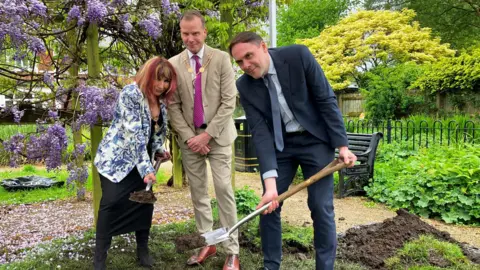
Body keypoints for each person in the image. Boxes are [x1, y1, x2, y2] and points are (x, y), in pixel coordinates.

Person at [229, 31, 357, 270]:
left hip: (315, 140)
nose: (245, 65)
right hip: (280, 146)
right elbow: (259, 131)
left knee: (321, 207)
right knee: (268, 206)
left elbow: (325, 99)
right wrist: (270, 187)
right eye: (239, 61)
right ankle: (271, 266)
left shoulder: (298, 56)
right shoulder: (244, 85)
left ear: (263, 47)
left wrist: (342, 146)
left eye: (249, 56)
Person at [168, 10, 240, 270]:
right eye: (185, 34)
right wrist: (191, 139)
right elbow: (172, 106)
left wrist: (207, 135)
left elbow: (228, 101)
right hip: (190, 141)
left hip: (218, 137)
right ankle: (208, 243)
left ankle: (232, 250)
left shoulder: (221, 59)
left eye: (195, 33)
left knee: (223, 190)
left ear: (204, 32)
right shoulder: (173, 64)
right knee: (198, 193)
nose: (190, 39)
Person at [93, 56, 176, 269]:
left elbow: (156, 133)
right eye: (158, 79)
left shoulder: (161, 102)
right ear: (148, 75)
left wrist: (158, 150)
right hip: (117, 162)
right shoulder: (131, 94)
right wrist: (147, 169)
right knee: (110, 203)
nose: (161, 85)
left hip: (141, 161)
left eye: (166, 81)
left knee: (143, 205)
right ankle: (99, 259)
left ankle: (142, 250)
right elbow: (134, 135)